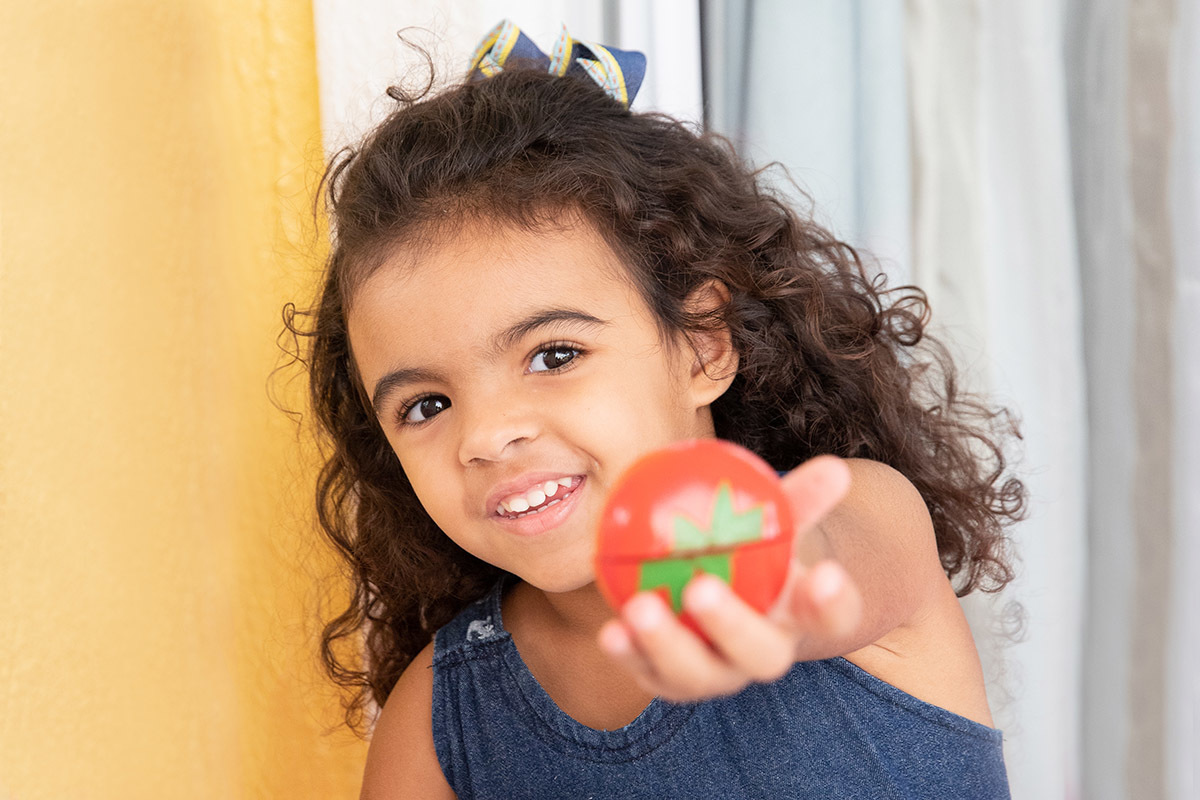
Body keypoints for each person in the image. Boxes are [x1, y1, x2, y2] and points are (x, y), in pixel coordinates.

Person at [290, 20, 1025, 799]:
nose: (487, 434)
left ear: (704, 344)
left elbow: (820, 557)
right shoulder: (439, 720)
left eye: (554, 355)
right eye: (427, 403)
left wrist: (761, 574)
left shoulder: (869, 514)